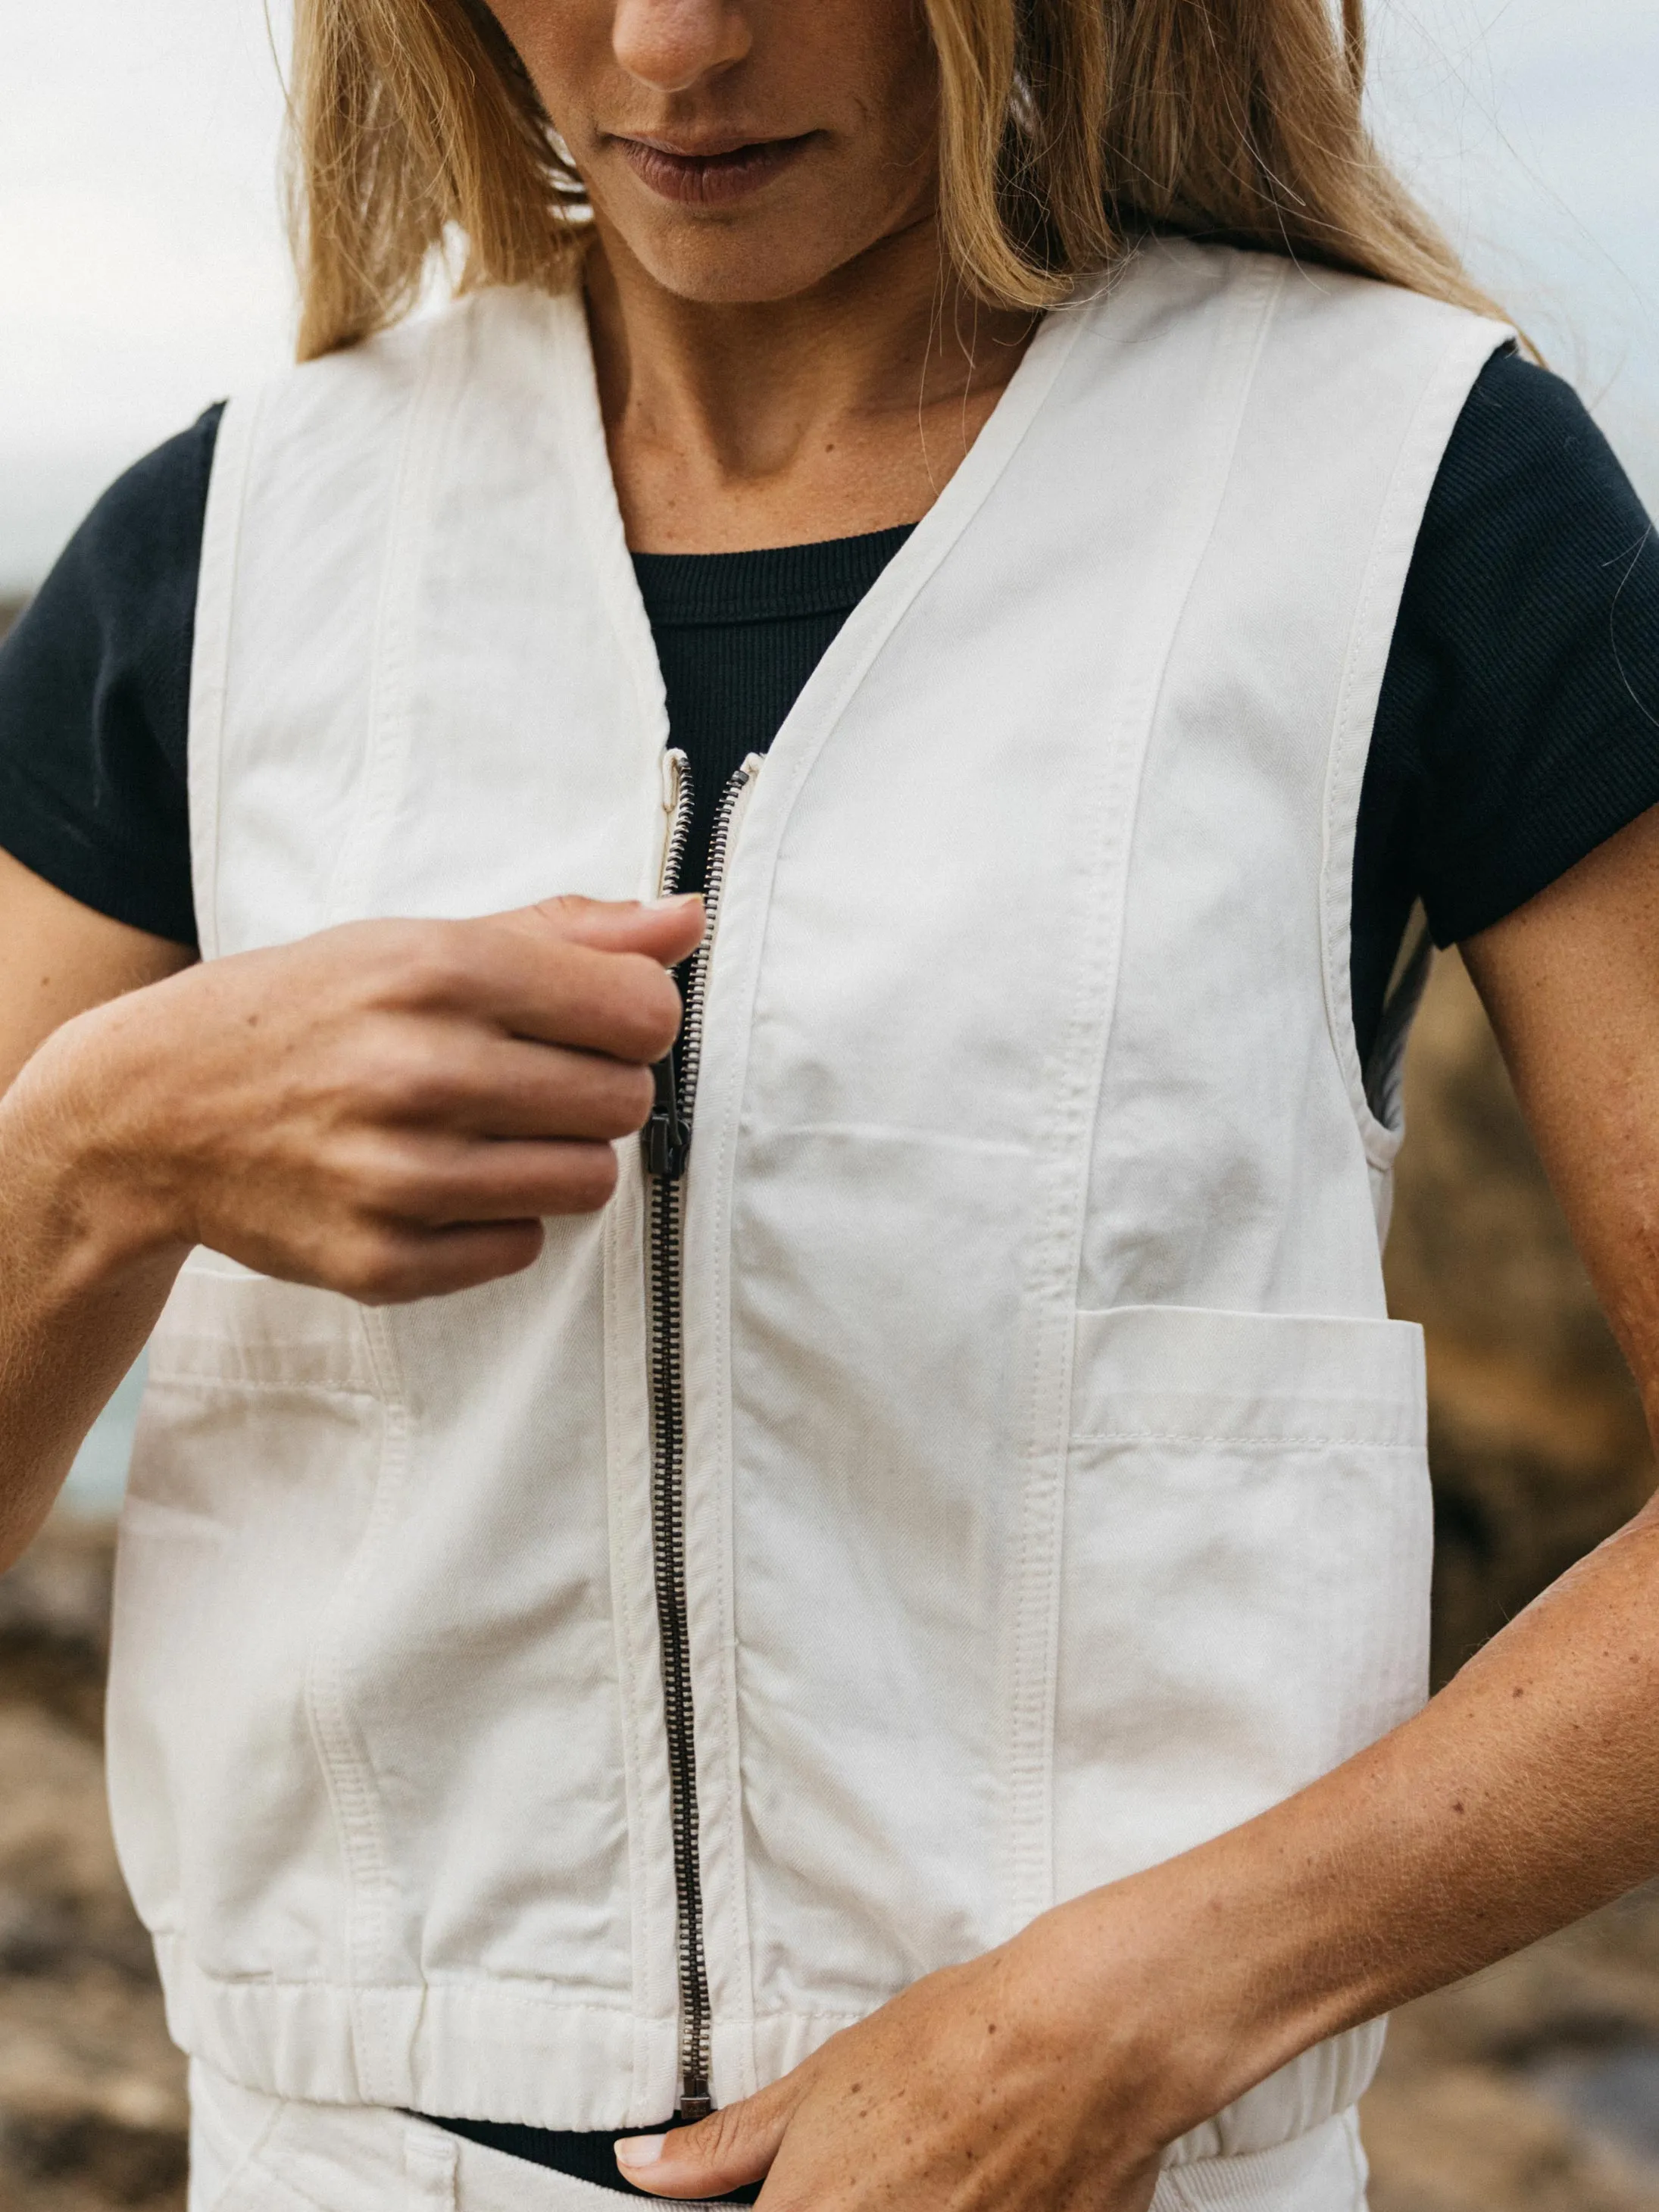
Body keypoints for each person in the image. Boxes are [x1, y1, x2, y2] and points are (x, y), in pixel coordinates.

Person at [2, 0, 1658, 2204]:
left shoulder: (1407, 484)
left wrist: (1155, 2000)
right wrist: (85, 1158)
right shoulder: (219, 557)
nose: (673, 45)